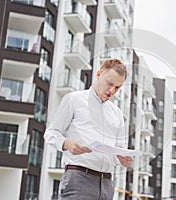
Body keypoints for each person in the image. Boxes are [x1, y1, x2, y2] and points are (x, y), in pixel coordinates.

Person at [44, 58, 133, 200]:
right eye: (109, 83)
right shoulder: (74, 100)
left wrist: (123, 160)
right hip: (79, 179)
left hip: (107, 185)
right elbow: (50, 133)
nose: (112, 90)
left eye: (117, 87)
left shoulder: (117, 114)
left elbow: (117, 153)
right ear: (99, 73)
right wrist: (67, 143)